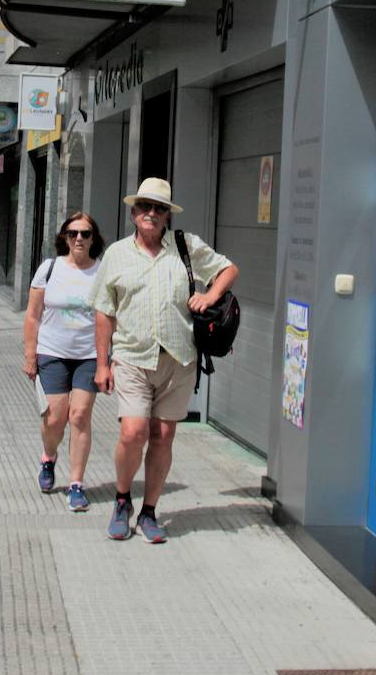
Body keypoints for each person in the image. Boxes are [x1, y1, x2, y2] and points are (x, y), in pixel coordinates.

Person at [90, 178, 238, 542]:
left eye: (159, 208)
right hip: (132, 357)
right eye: (145, 207)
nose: (151, 214)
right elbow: (104, 313)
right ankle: (123, 498)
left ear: (167, 215)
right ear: (133, 212)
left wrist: (210, 294)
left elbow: (229, 270)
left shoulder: (186, 247)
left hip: (178, 357)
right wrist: (102, 364)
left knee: (163, 435)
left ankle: (150, 512)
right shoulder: (117, 255)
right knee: (133, 432)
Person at [23, 211, 106, 512]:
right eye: (73, 234)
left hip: (89, 356)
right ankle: (48, 458)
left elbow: (110, 318)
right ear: (65, 238)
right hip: (52, 353)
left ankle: (76, 484)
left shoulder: (101, 272)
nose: (79, 239)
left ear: (93, 238)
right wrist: (30, 356)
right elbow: (33, 315)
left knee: (80, 416)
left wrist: (109, 359)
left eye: (85, 233)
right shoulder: (49, 268)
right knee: (55, 418)